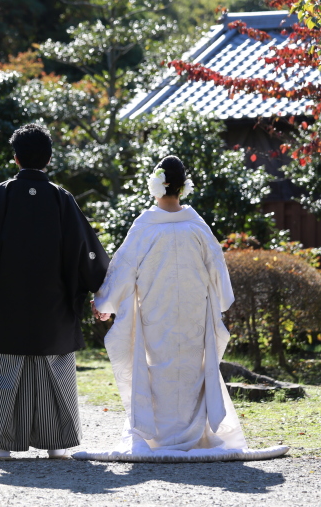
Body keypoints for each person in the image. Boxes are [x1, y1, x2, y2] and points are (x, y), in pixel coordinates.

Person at [75, 156, 289, 462]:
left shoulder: (145, 226)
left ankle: (157, 435)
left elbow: (124, 269)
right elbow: (217, 271)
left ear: (155, 185)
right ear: (183, 186)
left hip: (155, 312)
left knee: (157, 371)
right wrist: (219, 302)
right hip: (193, 312)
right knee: (191, 371)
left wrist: (104, 302)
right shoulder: (196, 226)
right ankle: (195, 433)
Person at [0, 123, 109, 461]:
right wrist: (100, 294)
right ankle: (57, 443)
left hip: (8, 301)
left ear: (16, 158)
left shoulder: (0, 195)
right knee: (55, 369)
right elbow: (86, 252)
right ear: (48, 159)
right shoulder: (61, 198)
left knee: (3, 368)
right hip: (54, 305)